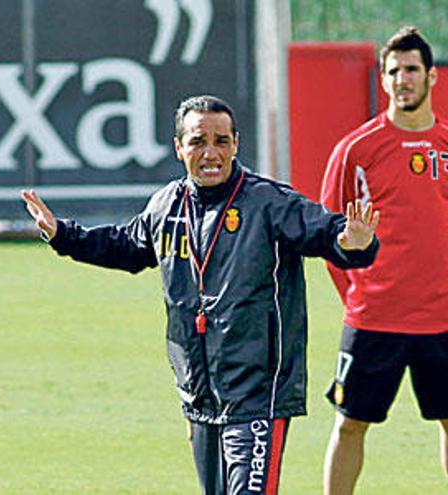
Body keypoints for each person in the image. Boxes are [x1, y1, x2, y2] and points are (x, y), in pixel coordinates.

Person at [22, 95, 381, 495]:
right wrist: (63, 234)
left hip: (256, 393)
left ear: (236, 144)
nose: (211, 153)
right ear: (179, 147)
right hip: (199, 394)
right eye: (198, 141)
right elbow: (125, 246)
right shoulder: (167, 206)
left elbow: (326, 232)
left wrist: (352, 242)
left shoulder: (269, 202)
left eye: (221, 141)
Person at [320, 26, 448, 494]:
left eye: (412, 69)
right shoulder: (356, 149)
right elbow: (330, 234)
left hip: (443, 319)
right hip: (376, 319)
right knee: (350, 424)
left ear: (431, 77)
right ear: (383, 77)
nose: (402, 78)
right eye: (393, 70)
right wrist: (358, 296)